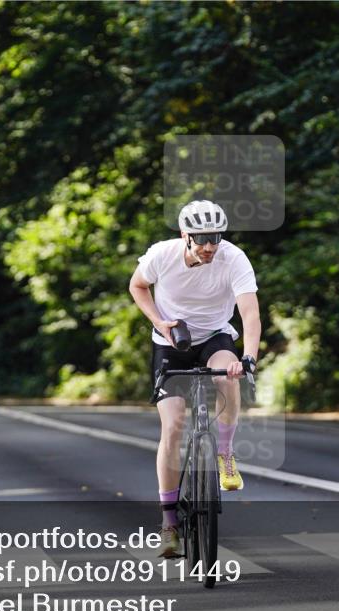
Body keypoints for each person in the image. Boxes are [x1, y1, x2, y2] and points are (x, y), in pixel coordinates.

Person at [128, 199, 261, 557]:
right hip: (172, 341)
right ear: (185, 235)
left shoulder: (234, 258)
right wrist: (159, 322)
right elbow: (137, 286)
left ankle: (225, 454)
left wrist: (247, 358)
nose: (209, 246)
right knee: (172, 427)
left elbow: (249, 314)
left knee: (227, 379)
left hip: (215, 336)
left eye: (215, 237)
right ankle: (169, 523)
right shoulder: (162, 255)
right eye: (201, 238)